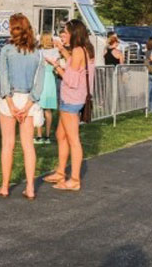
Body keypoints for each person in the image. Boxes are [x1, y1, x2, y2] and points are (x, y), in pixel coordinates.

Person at [44, 19, 95, 192]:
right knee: (60, 134)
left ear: (73, 33)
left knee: (73, 140)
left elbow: (71, 79)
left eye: (65, 32)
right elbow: (76, 65)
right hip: (76, 98)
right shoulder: (83, 49)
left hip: (71, 98)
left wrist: (56, 66)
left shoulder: (78, 50)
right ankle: (60, 172)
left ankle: (74, 179)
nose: (63, 35)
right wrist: (62, 50)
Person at [0, 14, 44, 199]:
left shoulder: (7, 50)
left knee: (7, 144)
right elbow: (39, 82)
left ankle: (5, 186)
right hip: (28, 100)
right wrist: (29, 103)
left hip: (10, 98)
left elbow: (3, 78)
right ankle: (30, 187)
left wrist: (9, 101)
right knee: (28, 145)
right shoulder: (37, 53)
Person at [35, 33, 59, 144]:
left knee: (39, 108)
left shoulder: (39, 52)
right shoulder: (55, 52)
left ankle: (39, 135)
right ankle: (48, 136)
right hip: (50, 80)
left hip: (41, 79)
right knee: (48, 110)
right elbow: (57, 67)